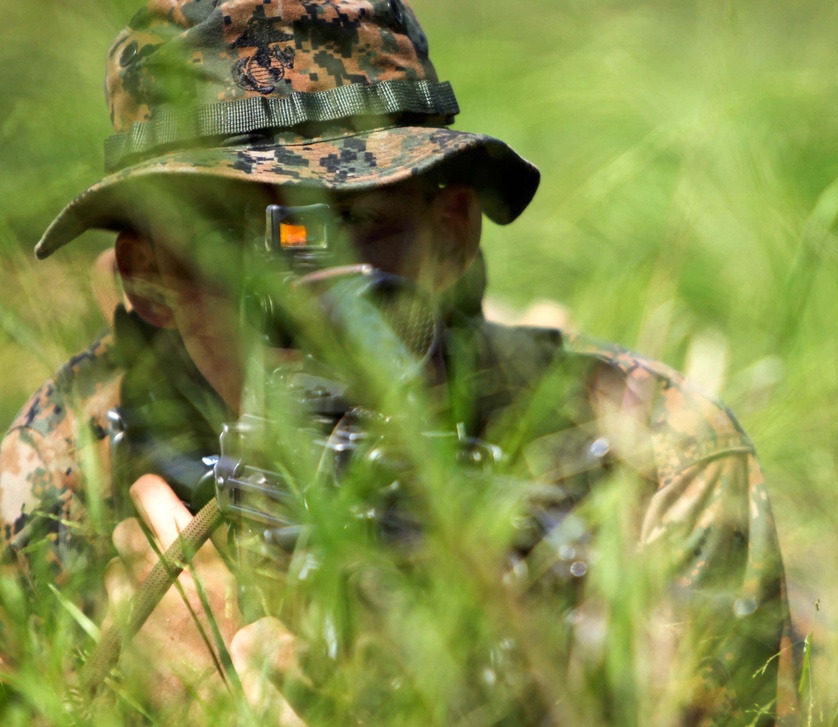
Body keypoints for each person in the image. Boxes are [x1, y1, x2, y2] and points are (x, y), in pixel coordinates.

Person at [0, 0, 796, 723]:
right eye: (230, 241)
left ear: (452, 232)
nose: (298, 292)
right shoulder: (65, 476)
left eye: (352, 224)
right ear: (147, 276)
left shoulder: (645, 459)